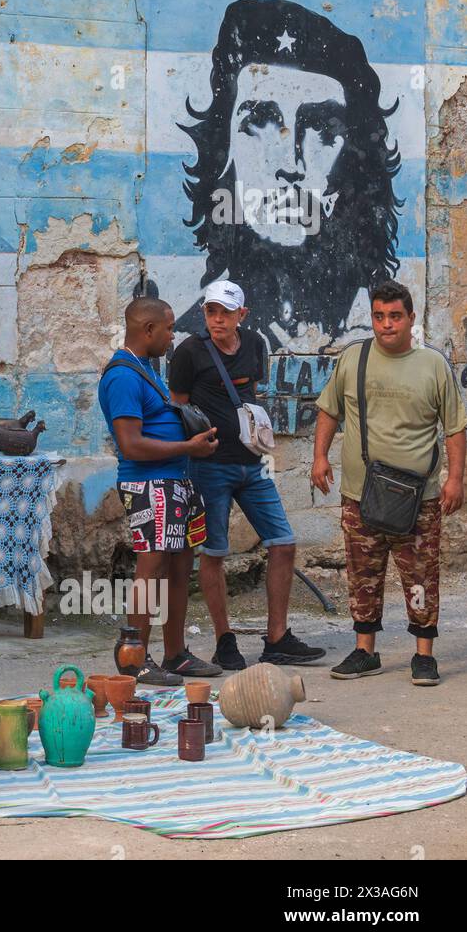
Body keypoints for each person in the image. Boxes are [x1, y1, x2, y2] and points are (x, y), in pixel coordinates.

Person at [175, 0, 403, 353]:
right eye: (260, 121)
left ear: (355, 163)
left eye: (322, 128)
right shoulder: (188, 342)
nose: (291, 164)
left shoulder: (383, 336)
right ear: (223, 154)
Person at [311, 280, 466, 686]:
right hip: (361, 493)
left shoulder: (433, 364)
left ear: (410, 319)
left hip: (419, 497)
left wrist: (455, 480)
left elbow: (454, 429)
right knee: (363, 573)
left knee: (420, 576)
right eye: (379, 316)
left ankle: (423, 655)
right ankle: (365, 650)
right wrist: (319, 457)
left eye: (394, 316)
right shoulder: (354, 358)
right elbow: (329, 409)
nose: (386, 325)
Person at [169, 280, 325, 670]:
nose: (217, 319)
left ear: (242, 315)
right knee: (215, 553)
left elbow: (251, 391)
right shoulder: (189, 353)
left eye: (225, 312)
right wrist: (191, 451)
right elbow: (179, 409)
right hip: (209, 467)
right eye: (210, 311)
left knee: (283, 542)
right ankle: (224, 641)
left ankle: (277, 638)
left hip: (252, 465)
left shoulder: (255, 344)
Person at [98, 297, 222, 686]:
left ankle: (175, 654)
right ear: (148, 329)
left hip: (173, 482)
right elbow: (131, 445)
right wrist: (189, 447)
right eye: (168, 328)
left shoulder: (144, 369)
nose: (173, 336)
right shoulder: (122, 376)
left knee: (179, 567)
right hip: (149, 484)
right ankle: (132, 658)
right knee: (150, 568)